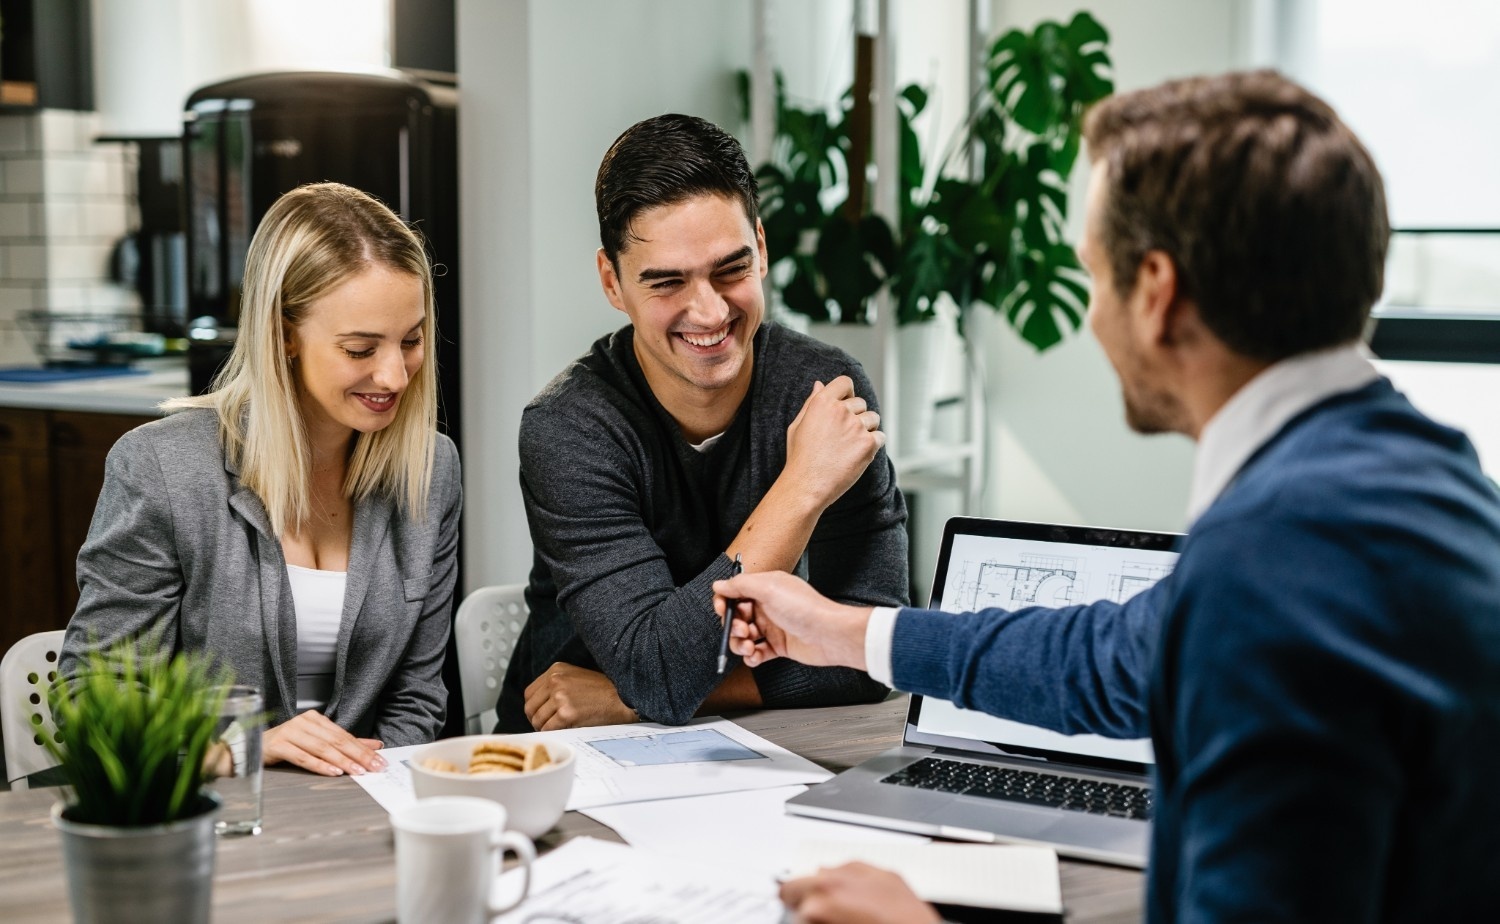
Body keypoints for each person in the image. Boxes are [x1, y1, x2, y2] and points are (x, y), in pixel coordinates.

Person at [715, 70, 1500, 922]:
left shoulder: (1279, 564)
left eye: (1093, 274)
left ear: (1156, 293)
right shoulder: (1420, 479)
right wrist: (842, 631)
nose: (1091, 315)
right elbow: (1111, 658)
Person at [496, 113, 907, 732]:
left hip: (758, 752)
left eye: (730, 270)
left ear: (762, 250)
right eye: (667, 282)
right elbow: (658, 671)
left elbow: (875, 651)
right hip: (575, 758)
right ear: (613, 282)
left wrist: (631, 693)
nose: (710, 311)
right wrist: (802, 489)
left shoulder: (823, 393)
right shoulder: (569, 429)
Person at [61, 182, 461, 778]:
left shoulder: (430, 470)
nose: (395, 375)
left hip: (362, 811)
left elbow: (417, 696)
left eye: (411, 340)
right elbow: (93, 704)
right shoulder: (162, 469)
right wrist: (243, 750)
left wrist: (361, 793)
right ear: (282, 335)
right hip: (208, 817)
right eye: (359, 349)